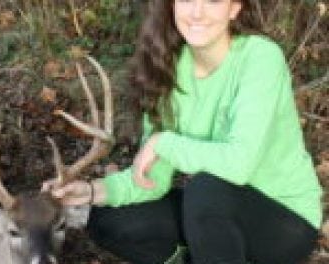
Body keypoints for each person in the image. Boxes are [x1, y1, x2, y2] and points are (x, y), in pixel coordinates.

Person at [43, 0, 323, 263]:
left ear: (235, 8)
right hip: (215, 215)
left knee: (206, 189)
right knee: (108, 221)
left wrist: (163, 142)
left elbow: (239, 165)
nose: (197, 12)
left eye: (212, 1)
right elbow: (153, 178)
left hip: (285, 221)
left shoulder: (260, 58)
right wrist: (91, 192)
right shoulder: (168, 67)